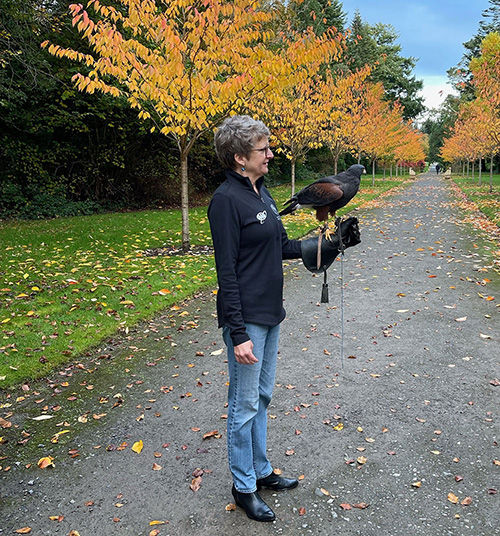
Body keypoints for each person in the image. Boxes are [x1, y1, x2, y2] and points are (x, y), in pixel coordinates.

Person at [208, 115, 360, 522]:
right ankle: (243, 487)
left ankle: (260, 470)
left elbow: (281, 246)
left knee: (261, 398)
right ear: (240, 157)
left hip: (272, 313)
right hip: (247, 319)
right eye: (263, 149)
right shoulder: (226, 201)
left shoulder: (264, 195)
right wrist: (237, 332)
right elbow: (226, 272)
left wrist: (326, 245)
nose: (271, 154)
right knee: (243, 406)